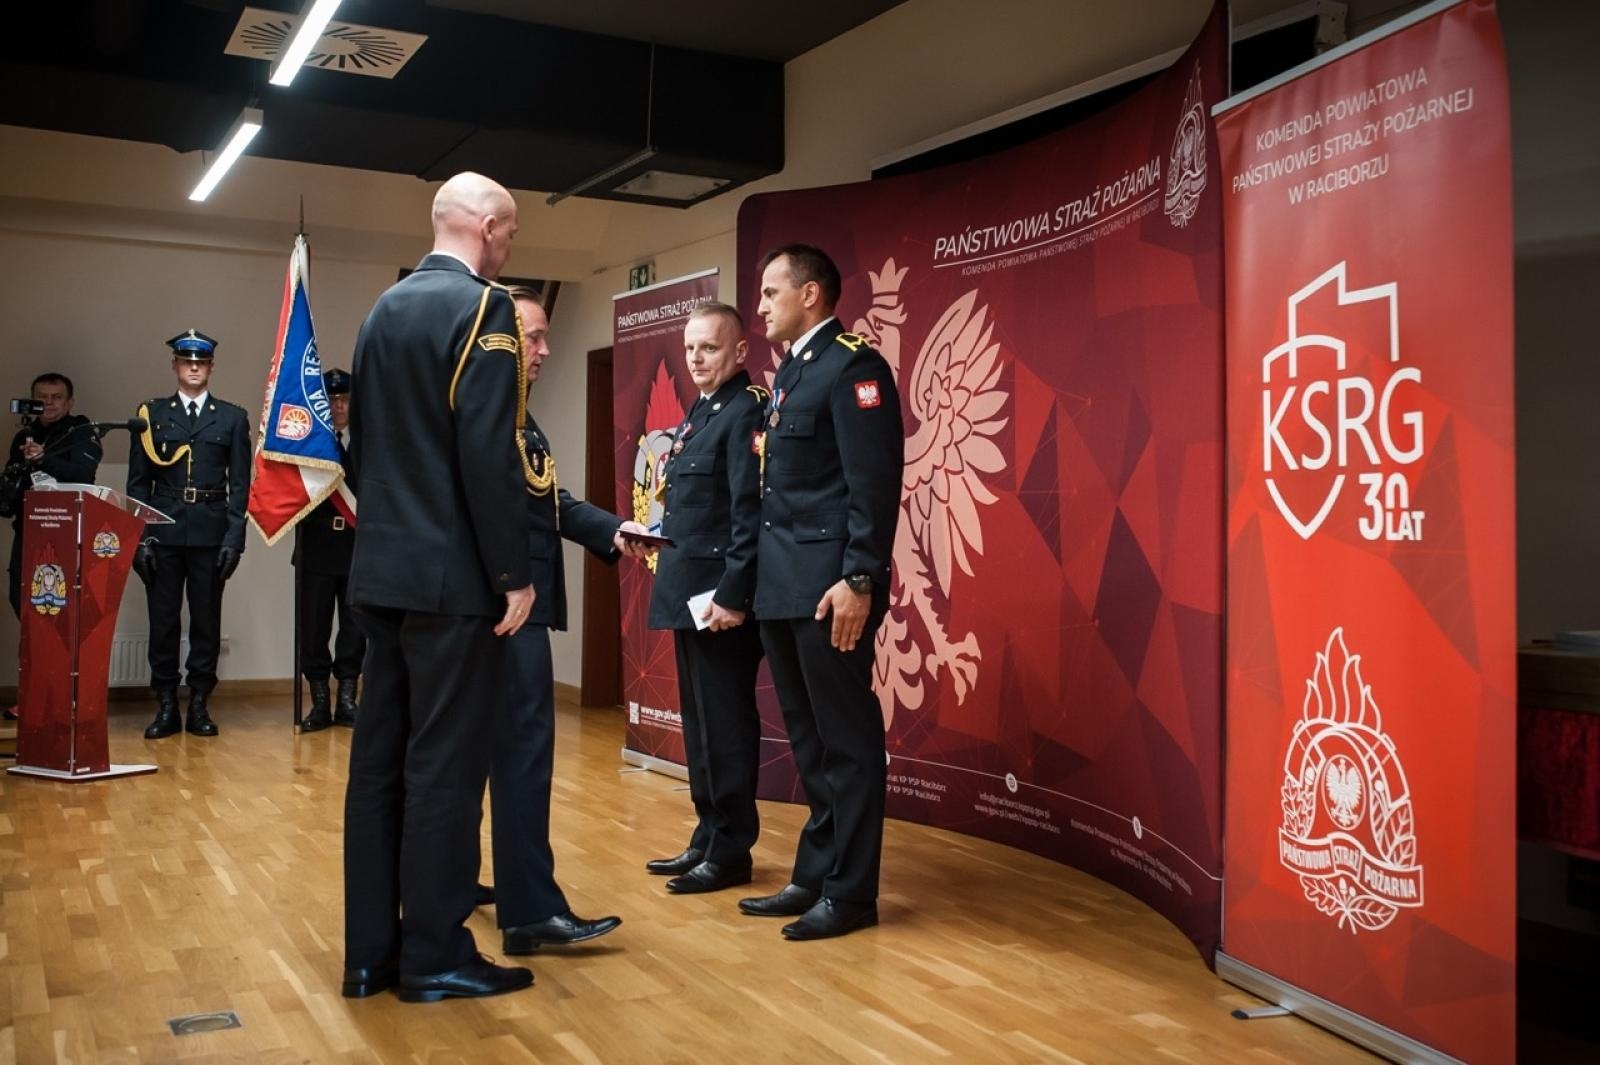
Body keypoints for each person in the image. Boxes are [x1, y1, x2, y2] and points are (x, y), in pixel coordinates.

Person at [341, 172, 535, 1004]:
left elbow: (368, 447)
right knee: (445, 771)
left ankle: (369, 953)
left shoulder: (381, 310)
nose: (509, 247)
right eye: (511, 232)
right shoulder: (483, 308)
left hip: (381, 572)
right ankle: (435, 954)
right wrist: (512, 573)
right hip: (452, 582)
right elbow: (487, 455)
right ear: (487, 226)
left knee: (378, 766)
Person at [739, 244, 904, 941]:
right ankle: (816, 874)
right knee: (810, 742)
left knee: (846, 741)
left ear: (810, 294)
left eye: (770, 292)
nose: (760, 307)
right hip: (784, 587)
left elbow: (873, 483)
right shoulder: (793, 371)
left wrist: (860, 577)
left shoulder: (853, 366)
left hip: (832, 589)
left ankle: (852, 892)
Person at [483, 285, 650, 954]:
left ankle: (466, 884)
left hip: (511, 608)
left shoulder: (514, 416)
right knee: (523, 759)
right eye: (534, 337)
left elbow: (549, 502)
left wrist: (614, 529)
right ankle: (529, 912)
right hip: (508, 608)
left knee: (488, 758)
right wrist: (509, 584)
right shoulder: (490, 416)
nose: (546, 350)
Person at [644, 302, 768, 895]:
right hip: (688, 592)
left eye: (709, 348)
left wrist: (732, 593)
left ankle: (731, 849)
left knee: (725, 726)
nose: (696, 358)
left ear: (740, 351)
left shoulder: (745, 411)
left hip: (718, 601)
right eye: (690, 347)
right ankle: (707, 833)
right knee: (699, 726)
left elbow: (750, 514)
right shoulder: (704, 409)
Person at [126, 332, 252, 739]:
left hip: (210, 535)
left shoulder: (232, 418)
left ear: (211, 366)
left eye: (201, 362)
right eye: (186, 361)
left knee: (206, 622)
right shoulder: (151, 415)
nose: (194, 367)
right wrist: (139, 538)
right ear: (175, 366)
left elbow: (241, 486)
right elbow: (138, 484)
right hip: (162, 533)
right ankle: (166, 703)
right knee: (162, 621)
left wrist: (234, 539)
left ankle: (199, 702)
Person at [294, 368, 365, 732]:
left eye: (345, 399)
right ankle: (320, 701)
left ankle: (347, 699)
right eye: (332, 400)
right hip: (317, 548)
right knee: (314, 628)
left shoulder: (368, 443)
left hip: (356, 548)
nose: (338, 406)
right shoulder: (309, 443)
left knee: (355, 628)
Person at [5, 373, 101, 620]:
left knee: (63, 605)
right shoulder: (24, 436)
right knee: (21, 598)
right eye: (42, 397)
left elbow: (83, 474)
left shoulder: (80, 431)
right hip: (28, 530)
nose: (48, 403)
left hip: (67, 530)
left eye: (57, 397)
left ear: (69, 402)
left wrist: (43, 459)